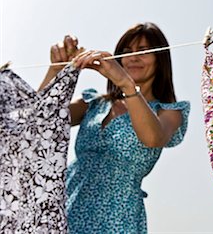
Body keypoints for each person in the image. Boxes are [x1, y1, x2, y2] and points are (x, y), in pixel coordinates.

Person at [39, 22, 190, 233]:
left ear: (160, 59)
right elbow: (41, 121)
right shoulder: (94, 102)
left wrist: (127, 84)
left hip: (117, 218)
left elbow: (153, 138)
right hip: (66, 206)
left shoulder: (168, 112)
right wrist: (56, 70)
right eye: (127, 52)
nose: (133, 57)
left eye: (143, 51)